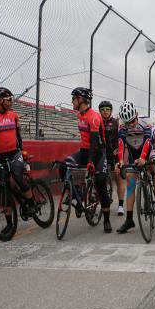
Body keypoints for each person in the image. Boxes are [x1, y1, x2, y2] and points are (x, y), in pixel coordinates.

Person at [0, 87, 36, 221]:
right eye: (9, 99)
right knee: (5, 190)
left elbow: (18, 135)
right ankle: (9, 223)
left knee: (17, 176)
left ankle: (32, 203)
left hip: (15, 154)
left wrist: (22, 149)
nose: (11, 101)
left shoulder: (14, 115)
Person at [59, 87, 112, 232]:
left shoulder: (94, 117)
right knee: (63, 166)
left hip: (98, 152)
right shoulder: (80, 115)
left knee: (100, 181)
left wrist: (90, 162)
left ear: (81, 99)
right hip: (84, 150)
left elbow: (94, 143)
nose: (72, 102)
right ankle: (76, 193)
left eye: (73, 99)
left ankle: (106, 220)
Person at [115, 101, 155, 233]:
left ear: (137, 115)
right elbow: (121, 143)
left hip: (148, 150)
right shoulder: (122, 125)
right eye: (128, 123)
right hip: (134, 153)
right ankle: (129, 220)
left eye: (133, 121)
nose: (131, 125)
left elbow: (148, 142)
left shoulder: (146, 121)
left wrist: (144, 158)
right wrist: (121, 161)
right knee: (130, 182)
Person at [98, 100, 125, 216]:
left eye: (107, 109)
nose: (105, 112)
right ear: (99, 111)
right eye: (102, 110)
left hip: (113, 155)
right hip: (101, 154)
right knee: (98, 179)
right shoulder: (97, 121)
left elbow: (121, 139)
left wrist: (119, 152)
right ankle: (102, 201)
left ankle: (120, 205)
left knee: (118, 178)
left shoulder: (116, 123)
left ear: (111, 111)